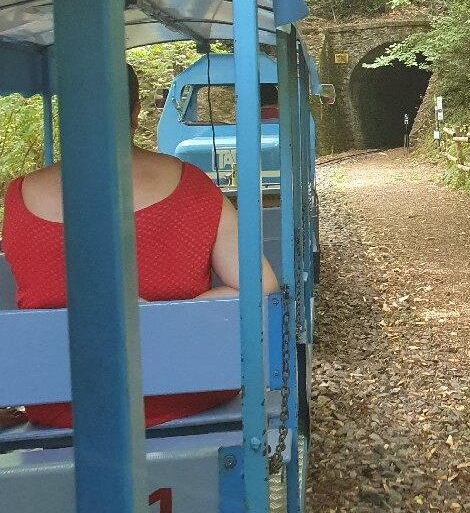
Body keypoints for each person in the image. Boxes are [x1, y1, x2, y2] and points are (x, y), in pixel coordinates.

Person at [1, 63, 278, 428]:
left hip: (62, 410)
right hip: (188, 396)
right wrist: (158, 319)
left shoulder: (18, 196)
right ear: (134, 114)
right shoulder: (191, 187)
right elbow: (262, 287)